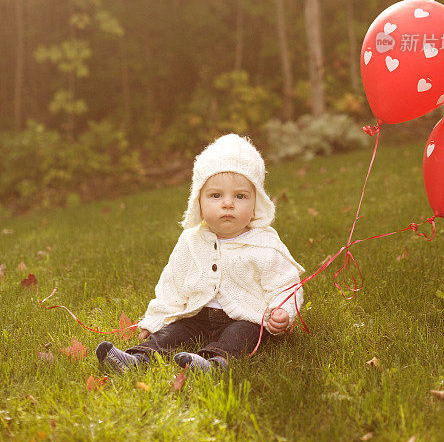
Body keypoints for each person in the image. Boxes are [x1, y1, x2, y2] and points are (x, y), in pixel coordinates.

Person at [96, 133, 304, 372]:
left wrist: (282, 311)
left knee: (242, 334)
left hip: (246, 317)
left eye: (240, 196)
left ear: (256, 202)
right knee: (174, 332)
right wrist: (155, 320)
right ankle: (137, 358)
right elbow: (172, 284)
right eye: (216, 196)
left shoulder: (264, 243)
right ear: (199, 202)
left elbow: (286, 284)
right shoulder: (191, 241)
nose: (228, 203)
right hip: (198, 315)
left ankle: (215, 363)